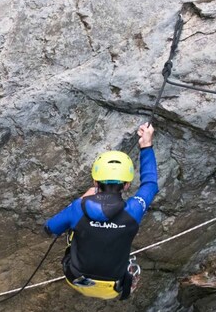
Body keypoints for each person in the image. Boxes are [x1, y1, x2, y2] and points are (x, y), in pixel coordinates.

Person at [44, 123, 157, 300]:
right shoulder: (134, 210)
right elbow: (150, 184)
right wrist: (146, 145)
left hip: (75, 278)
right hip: (113, 289)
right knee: (130, 264)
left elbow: (50, 228)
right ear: (126, 185)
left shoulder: (78, 208)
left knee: (74, 232)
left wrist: (82, 199)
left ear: (95, 183)